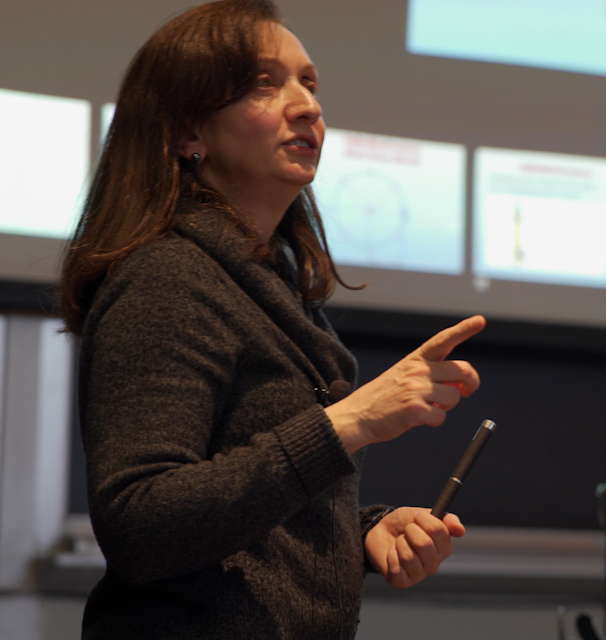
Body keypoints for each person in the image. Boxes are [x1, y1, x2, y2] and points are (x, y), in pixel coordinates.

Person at [57, 1, 485, 638]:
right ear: (187, 133)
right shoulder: (168, 278)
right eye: (266, 83)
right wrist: (350, 422)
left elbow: (248, 512)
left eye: (309, 84)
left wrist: (364, 531)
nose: (307, 105)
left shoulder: (269, 285)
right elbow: (141, 524)